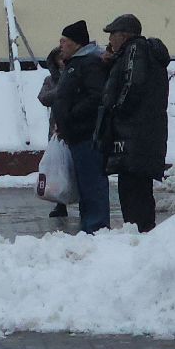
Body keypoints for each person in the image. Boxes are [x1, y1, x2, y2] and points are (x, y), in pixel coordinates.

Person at [95, 13, 170, 231]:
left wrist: (117, 110)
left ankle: (139, 234)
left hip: (134, 134)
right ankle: (142, 231)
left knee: (133, 191)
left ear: (125, 35)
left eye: (113, 34)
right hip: (145, 134)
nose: (110, 40)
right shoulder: (139, 53)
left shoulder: (135, 50)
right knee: (140, 190)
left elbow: (132, 85)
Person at [51, 20, 112, 233]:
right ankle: (90, 225)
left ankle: (96, 226)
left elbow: (96, 96)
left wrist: (71, 115)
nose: (61, 45)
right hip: (76, 134)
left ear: (76, 43)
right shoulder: (76, 63)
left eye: (64, 41)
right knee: (85, 184)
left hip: (87, 134)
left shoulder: (88, 63)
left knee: (92, 182)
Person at [37, 45, 69, 219]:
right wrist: (61, 89)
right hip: (56, 129)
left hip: (76, 127)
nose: (62, 61)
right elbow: (43, 98)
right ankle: (60, 203)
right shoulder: (51, 80)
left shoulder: (77, 74)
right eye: (59, 59)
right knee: (59, 168)